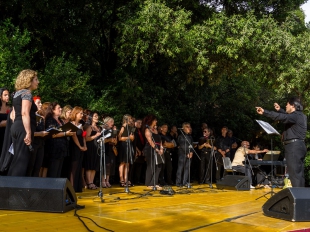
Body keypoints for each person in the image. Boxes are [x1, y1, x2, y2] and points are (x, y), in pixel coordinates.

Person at [256, 97, 307, 187]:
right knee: (298, 175)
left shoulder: (295, 116)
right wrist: (280, 110)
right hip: (298, 146)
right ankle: (301, 197)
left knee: (295, 175)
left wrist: (265, 112)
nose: (286, 106)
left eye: (287, 104)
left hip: (294, 148)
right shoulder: (299, 115)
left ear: (293, 105)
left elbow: (282, 117)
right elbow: (286, 115)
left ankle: (298, 199)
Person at [8, 69, 39, 176]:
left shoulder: (16, 94)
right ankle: (17, 190)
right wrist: (28, 132)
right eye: (36, 79)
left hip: (15, 127)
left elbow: (12, 114)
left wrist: (17, 126)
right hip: (23, 128)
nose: (37, 82)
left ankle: (10, 188)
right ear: (29, 80)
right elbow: (25, 113)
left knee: (17, 159)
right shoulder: (27, 94)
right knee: (23, 161)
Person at [45, 102, 74, 178]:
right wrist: (65, 134)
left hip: (62, 149)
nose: (61, 109)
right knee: (53, 171)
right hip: (54, 149)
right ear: (53, 110)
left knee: (58, 172)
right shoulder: (50, 120)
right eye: (58, 108)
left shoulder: (60, 121)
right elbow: (52, 134)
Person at [142, 115, 164, 189]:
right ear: (151, 121)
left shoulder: (156, 129)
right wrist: (156, 149)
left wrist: (161, 148)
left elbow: (160, 140)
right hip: (150, 149)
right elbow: (150, 141)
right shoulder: (147, 129)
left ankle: (154, 182)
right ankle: (149, 183)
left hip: (158, 148)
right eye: (155, 120)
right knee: (151, 165)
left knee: (159, 165)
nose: (156, 121)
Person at [69, 106, 87, 192]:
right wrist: (79, 146)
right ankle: (72, 187)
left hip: (81, 148)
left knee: (79, 166)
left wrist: (84, 145)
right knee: (74, 167)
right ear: (75, 114)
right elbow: (74, 136)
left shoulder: (81, 125)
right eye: (80, 113)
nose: (82, 115)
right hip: (74, 147)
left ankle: (77, 187)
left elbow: (83, 136)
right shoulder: (71, 124)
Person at [84, 112, 102, 189]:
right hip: (90, 147)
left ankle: (92, 181)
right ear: (91, 117)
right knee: (90, 165)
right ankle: (89, 182)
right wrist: (95, 136)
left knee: (94, 166)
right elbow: (86, 138)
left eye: (97, 116)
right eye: (95, 116)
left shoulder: (98, 127)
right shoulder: (89, 127)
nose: (97, 117)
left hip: (97, 147)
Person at [118, 114, 135, 187]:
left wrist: (131, 138)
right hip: (123, 145)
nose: (131, 120)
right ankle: (121, 179)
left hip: (129, 145)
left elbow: (132, 138)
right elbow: (119, 138)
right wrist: (128, 137)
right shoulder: (123, 127)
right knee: (123, 162)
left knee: (128, 163)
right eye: (129, 119)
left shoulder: (131, 127)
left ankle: (126, 179)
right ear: (126, 119)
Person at [176, 122, 194, 187]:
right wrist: (187, 153)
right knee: (180, 168)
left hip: (189, 154)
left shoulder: (190, 137)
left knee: (187, 168)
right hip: (182, 154)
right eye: (187, 127)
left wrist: (191, 152)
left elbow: (191, 145)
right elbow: (182, 145)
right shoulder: (181, 136)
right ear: (183, 128)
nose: (189, 128)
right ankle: (178, 182)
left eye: (189, 127)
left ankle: (185, 181)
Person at [0, 88, 10, 157]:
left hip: (8, 134)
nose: (7, 97)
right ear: (0, 96)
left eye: (8, 95)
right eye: (5, 95)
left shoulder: (10, 108)